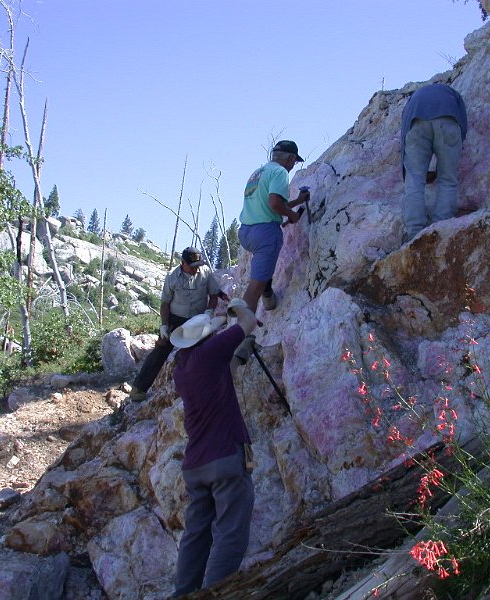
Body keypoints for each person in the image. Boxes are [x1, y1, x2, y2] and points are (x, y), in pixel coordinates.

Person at [172, 299, 258, 596]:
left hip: (195, 464)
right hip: (224, 457)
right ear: (208, 337)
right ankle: (214, 594)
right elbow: (249, 321)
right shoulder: (209, 352)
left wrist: (240, 356)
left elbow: (220, 373)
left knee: (195, 535)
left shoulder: (182, 368)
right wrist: (237, 306)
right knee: (230, 534)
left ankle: (183, 592)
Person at [129, 247, 225, 400]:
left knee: (204, 350)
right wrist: (164, 325)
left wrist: (209, 312)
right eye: (192, 266)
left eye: (197, 266)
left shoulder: (205, 272)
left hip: (199, 319)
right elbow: (165, 304)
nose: (195, 270)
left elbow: (213, 295)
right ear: (183, 263)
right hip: (176, 318)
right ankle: (138, 389)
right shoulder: (172, 277)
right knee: (160, 349)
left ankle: (205, 385)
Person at [238, 140, 311, 314]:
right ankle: (241, 334)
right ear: (290, 158)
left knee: (262, 274)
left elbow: (269, 204)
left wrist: (297, 202)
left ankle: (268, 292)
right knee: (255, 286)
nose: (293, 166)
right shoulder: (280, 172)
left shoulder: (258, 172)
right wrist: (292, 215)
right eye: (294, 162)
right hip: (265, 233)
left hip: (246, 232)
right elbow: (274, 203)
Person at [400, 82, 468, 240]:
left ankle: (414, 234)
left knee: (414, 181)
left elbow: (404, 136)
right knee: (448, 180)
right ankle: (441, 231)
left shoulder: (413, 99)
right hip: (449, 119)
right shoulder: (452, 94)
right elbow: (462, 125)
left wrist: (407, 172)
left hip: (415, 121)